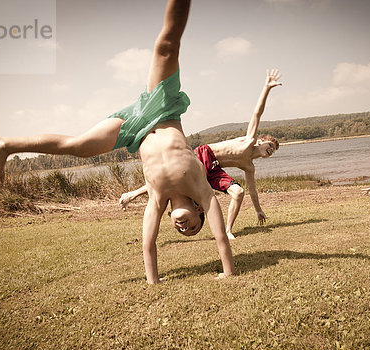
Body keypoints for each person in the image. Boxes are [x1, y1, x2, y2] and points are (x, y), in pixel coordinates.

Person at [0, 0, 235, 284]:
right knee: (167, 45)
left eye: (181, 232)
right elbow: (220, 235)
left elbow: (148, 245)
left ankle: (5, 145)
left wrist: (153, 282)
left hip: (133, 131)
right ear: (199, 210)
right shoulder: (200, 186)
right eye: (192, 227)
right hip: (161, 110)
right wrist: (228, 272)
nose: (184, 229)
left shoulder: (157, 197)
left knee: (78, 146)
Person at [119, 69, 282, 239]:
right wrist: (267, 88)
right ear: (260, 141)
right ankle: (131, 195)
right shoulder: (249, 141)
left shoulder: (249, 166)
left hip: (214, 169)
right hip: (205, 155)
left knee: (239, 192)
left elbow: (253, 192)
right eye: (270, 145)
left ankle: (227, 231)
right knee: (173, 179)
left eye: (273, 150)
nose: (271, 150)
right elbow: (257, 114)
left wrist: (258, 210)